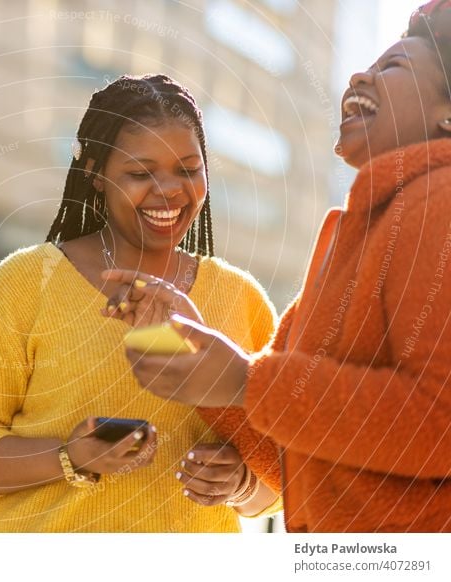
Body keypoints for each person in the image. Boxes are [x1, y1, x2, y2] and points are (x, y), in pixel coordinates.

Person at [117, 2, 451, 532]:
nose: (359, 74)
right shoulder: (348, 234)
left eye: (394, 68)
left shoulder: (439, 199)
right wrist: (187, 343)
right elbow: (293, 458)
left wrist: (243, 381)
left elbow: (438, 425)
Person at [0, 74, 280, 532]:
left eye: (187, 169)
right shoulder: (26, 284)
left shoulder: (239, 298)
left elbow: (292, 469)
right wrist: (68, 457)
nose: (168, 190)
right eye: (140, 173)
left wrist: (242, 484)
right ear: (96, 174)